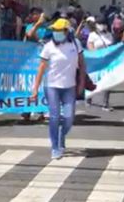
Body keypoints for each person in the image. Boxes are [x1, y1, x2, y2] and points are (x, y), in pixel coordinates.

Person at [31, 18, 85, 160]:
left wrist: (81, 84)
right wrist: (35, 89)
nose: (56, 33)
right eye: (54, 30)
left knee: (69, 118)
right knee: (54, 117)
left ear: (67, 32)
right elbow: (41, 67)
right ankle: (55, 147)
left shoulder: (75, 43)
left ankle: (62, 136)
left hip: (70, 86)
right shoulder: (49, 46)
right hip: (52, 86)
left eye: (59, 30)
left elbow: (82, 64)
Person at [87, 16, 115, 110]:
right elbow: (90, 47)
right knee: (93, 81)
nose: (102, 26)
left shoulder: (109, 35)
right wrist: (98, 55)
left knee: (108, 81)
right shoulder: (92, 35)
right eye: (100, 24)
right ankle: (89, 98)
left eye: (104, 24)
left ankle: (105, 103)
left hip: (107, 62)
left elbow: (112, 47)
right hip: (96, 61)